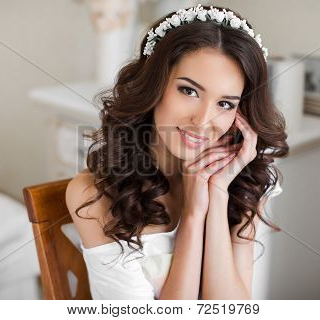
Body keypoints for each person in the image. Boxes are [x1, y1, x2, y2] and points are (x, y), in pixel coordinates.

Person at [65, 3, 289, 300]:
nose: (202, 121)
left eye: (225, 104)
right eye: (189, 90)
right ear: (154, 85)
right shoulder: (93, 195)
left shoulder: (243, 185)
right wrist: (193, 216)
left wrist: (217, 195)